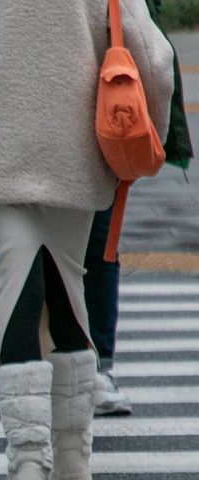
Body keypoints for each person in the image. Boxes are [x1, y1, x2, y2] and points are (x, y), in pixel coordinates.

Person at [0, 0, 174, 480]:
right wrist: (151, 122)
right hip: (78, 140)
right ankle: (72, 459)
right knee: (70, 285)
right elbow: (152, 54)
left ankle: (25, 463)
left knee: (16, 281)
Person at [83, 0, 194, 418]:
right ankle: (97, 367)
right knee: (99, 242)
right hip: (99, 112)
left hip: (27, 123)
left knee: (27, 244)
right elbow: (152, 56)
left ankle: (18, 353)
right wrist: (154, 138)